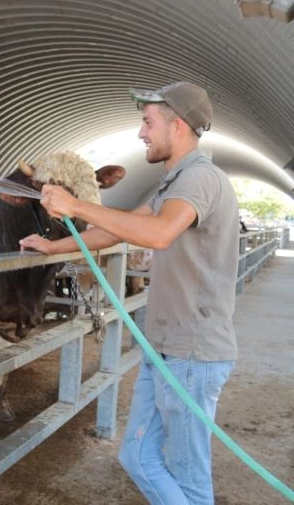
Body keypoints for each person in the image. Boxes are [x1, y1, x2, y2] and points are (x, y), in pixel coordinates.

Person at [20, 81, 238, 505]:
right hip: (166, 350)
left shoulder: (199, 178)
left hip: (191, 354)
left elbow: (158, 234)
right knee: (137, 456)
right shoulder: (170, 183)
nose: (141, 133)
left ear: (177, 126)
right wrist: (53, 245)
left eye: (147, 122)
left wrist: (77, 206)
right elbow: (116, 228)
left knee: (189, 478)